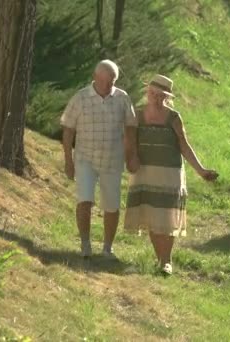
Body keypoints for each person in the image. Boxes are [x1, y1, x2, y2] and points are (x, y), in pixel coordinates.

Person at [124, 74, 218, 275]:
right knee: (151, 216)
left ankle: (167, 261)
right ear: (147, 92)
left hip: (170, 173)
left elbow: (184, 145)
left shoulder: (173, 117)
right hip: (145, 172)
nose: (155, 99)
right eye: (152, 94)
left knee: (167, 218)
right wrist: (130, 159)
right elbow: (129, 141)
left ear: (167, 97)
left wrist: (201, 170)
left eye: (160, 96)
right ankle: (160, 259)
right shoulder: (137, 114)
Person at [60, 59, 139, 258]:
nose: (106, 85)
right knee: (85, 200)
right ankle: (85, 244)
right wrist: (68, 161)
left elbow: (130, 128)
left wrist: (131, 156)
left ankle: (107, 248)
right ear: (94, 77)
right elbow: (68, 130)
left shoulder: (122, 98)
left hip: (112, 159)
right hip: (85, 157)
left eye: (110, 81)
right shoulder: (80, 98)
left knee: (111, 206)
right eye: (102, 80)